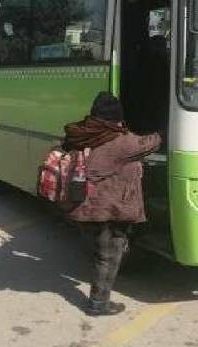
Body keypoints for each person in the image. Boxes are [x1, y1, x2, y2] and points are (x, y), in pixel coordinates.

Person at [62, 92, 161, 316]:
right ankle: (98, 303)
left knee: (101, 252)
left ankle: (99, 299)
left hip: (86, 205)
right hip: (106, 208)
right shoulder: (119, 142)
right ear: (115, 118)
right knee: (109, 255)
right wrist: (163, 128)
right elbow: (152, 142)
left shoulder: (84, 133)